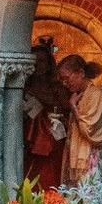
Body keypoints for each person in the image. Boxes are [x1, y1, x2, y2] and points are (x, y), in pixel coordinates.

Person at [56, 54, 102, 186]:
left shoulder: (98, 95)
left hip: (89, 157)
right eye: (62, 80)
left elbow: (89, 130)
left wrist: (73, 107)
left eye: (67, 78)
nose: (65, 83)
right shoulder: (79, 94)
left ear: (81, 73)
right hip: (74, 156)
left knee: (89, 201)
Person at [22, 43, 67, 188]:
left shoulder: (58, 88)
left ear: (49, 64)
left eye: (42, 61)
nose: (38, 65)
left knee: (50, 178)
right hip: (29, 142)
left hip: (53, 140)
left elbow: (66, 111)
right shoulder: (22, 87)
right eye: (34, 61)